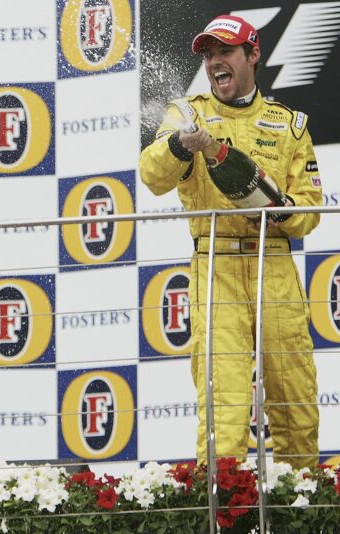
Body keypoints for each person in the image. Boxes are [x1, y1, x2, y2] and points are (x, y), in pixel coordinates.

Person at [139, 15, 322, 469]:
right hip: (214, 266)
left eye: (225, 51)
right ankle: (224, 511)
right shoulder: (186, 113)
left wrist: (281, 208)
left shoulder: (290, 124)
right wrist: (181, 146)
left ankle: (305, 509)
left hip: (274, 264)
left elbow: (310, 210)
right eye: (207, 54)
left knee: (295, 399)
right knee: (225, 402)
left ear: (252, 55)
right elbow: (151, 175)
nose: (214, 61)